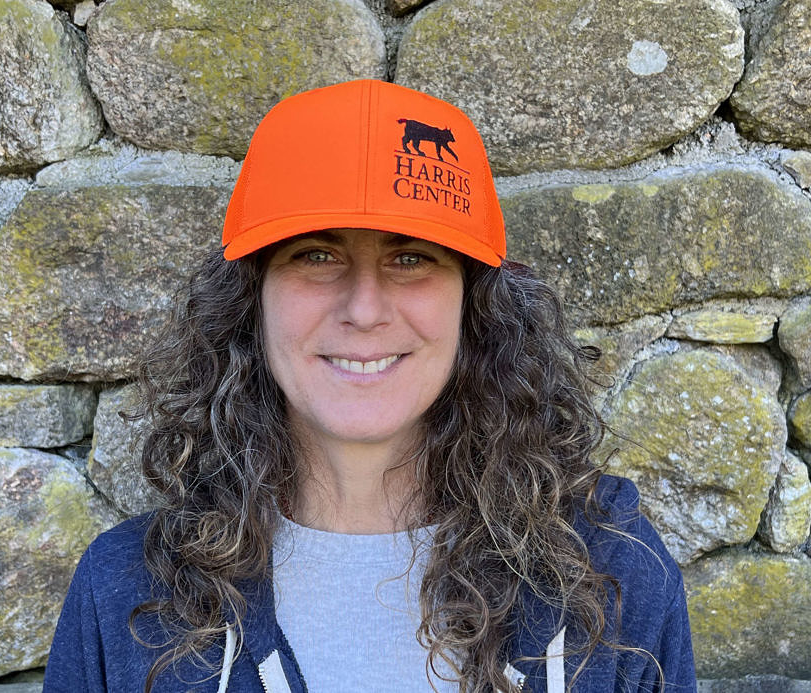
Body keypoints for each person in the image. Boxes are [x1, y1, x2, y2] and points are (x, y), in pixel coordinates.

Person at [43, 80, 695, 692]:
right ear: (250, 299)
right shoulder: (126, 592)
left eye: (411, 258)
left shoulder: (608, 573)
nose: (363, 309)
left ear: (475, 306)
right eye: (316, 255)